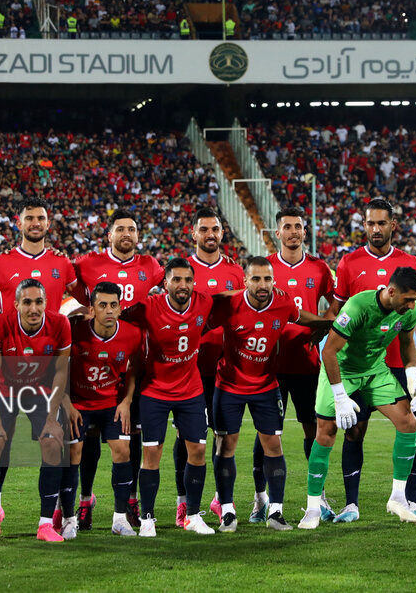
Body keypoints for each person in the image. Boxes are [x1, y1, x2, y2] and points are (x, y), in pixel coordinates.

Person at [326, 197, 416, 523]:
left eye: (381, 223)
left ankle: (409, 502)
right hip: (358, 365)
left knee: (410, 428)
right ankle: (351, 505)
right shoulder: (348, 263)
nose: (375, 229)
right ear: (364, 226)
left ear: (392, 225)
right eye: (370, 223)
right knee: (355, 431)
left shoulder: (410, 263)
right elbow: (336, 312)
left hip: (397, 361)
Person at [299, 267, 416, 530]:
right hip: (341, 370)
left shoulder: (410, 311)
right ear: (391, 292)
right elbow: (329, 353)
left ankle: (398, 498)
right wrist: (340, 396)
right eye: (408, 299)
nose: (413, 305)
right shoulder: (358, 306)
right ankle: (313, 508)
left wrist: (412, 375)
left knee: (408, 423)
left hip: (375, 370)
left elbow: (407, 342)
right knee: (326, 432)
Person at [207, 257, 329, 532]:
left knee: (273, 445)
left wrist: (323, 323)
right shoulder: (228, 304)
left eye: (267, 279)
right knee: (225, 446)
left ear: (274, 281)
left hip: (265, 386)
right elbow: (199, 323)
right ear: (245, 281)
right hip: (229, 386)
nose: (263, 285)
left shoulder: (283, 302)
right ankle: (227, 511)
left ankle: (276, 511)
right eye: (256, 279)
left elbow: (300, 316)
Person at [0, 198, 77, 521]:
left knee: (54, 443)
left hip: (47, 376)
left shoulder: (62, 264)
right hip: (7, 372)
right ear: (17, 223)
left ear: (48, 224)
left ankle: (55, 514)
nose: (35, 223)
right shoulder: (0, 264)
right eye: (29, 218)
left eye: (41, 218)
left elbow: (87, 302)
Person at [72, 209, 163, 528]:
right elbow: (65, 288)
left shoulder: (151, 266)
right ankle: (85, 499)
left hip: (133, 362)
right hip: (94, 361)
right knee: (89, 437)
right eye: (120, 228)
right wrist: (79, 310)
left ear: (138, 235)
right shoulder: (87, 264)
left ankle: (130, 502)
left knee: (131, 435)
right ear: (108, 235)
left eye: (133, 228)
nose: (127, 233)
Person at [0, 279, 72, 545]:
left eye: (38, 301)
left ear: (46, 303)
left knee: (53, 444)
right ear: (16, 304)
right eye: (27, 302)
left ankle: (45, 524)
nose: (33, 308)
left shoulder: (60, 324)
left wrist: (52, 419)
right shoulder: (0, 324)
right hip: (5, 390)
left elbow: (61, 372)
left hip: (40, 391)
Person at [254, 206, 335, 523]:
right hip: (270, 365)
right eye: (287, 226)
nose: (293, 231)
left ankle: (319, 498)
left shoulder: (319, 268)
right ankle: (260, 500)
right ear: (277, 233)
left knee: (313, 430)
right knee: (266, 434)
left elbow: (337, 300)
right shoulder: (265, 268)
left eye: (298, 226)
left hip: (307, 364)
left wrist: (324, 325)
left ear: (304, 231)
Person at [123, 259, 216, 536]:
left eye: (188, 280)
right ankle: (148, 519)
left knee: (198, 452)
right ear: (165, 283)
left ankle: (193, 516)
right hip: (155, 391)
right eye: (176, 280)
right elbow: (117, 318)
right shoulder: (149, 307)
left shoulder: (204, 303)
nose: (182, 285)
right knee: (152, 454)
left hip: (191, 391)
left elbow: (230, 297)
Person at [181, 207, 244, 527]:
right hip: (188, 369)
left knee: (223, 436)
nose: (210, 234)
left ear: (222, 234)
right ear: (194, 234)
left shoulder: (235, 271)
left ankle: (221, 500)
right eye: (204, 229)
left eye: (215, 229)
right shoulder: (181, 271)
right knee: (186, 438)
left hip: (225, 370)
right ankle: (183, 503)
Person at [63, 282, 142, 536]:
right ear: (92, 309)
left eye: (114, 305)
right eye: (102, 305)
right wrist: (67, 403)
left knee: (122, 450)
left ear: (120, 308)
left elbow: (132, 370)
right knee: (74, 452)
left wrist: (127, 401)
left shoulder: (131, 334)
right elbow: (57, 369)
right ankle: (68, 520)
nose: (109, 310)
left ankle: (119, 519)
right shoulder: (75, 331)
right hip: (79, 403)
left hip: (111, 404)